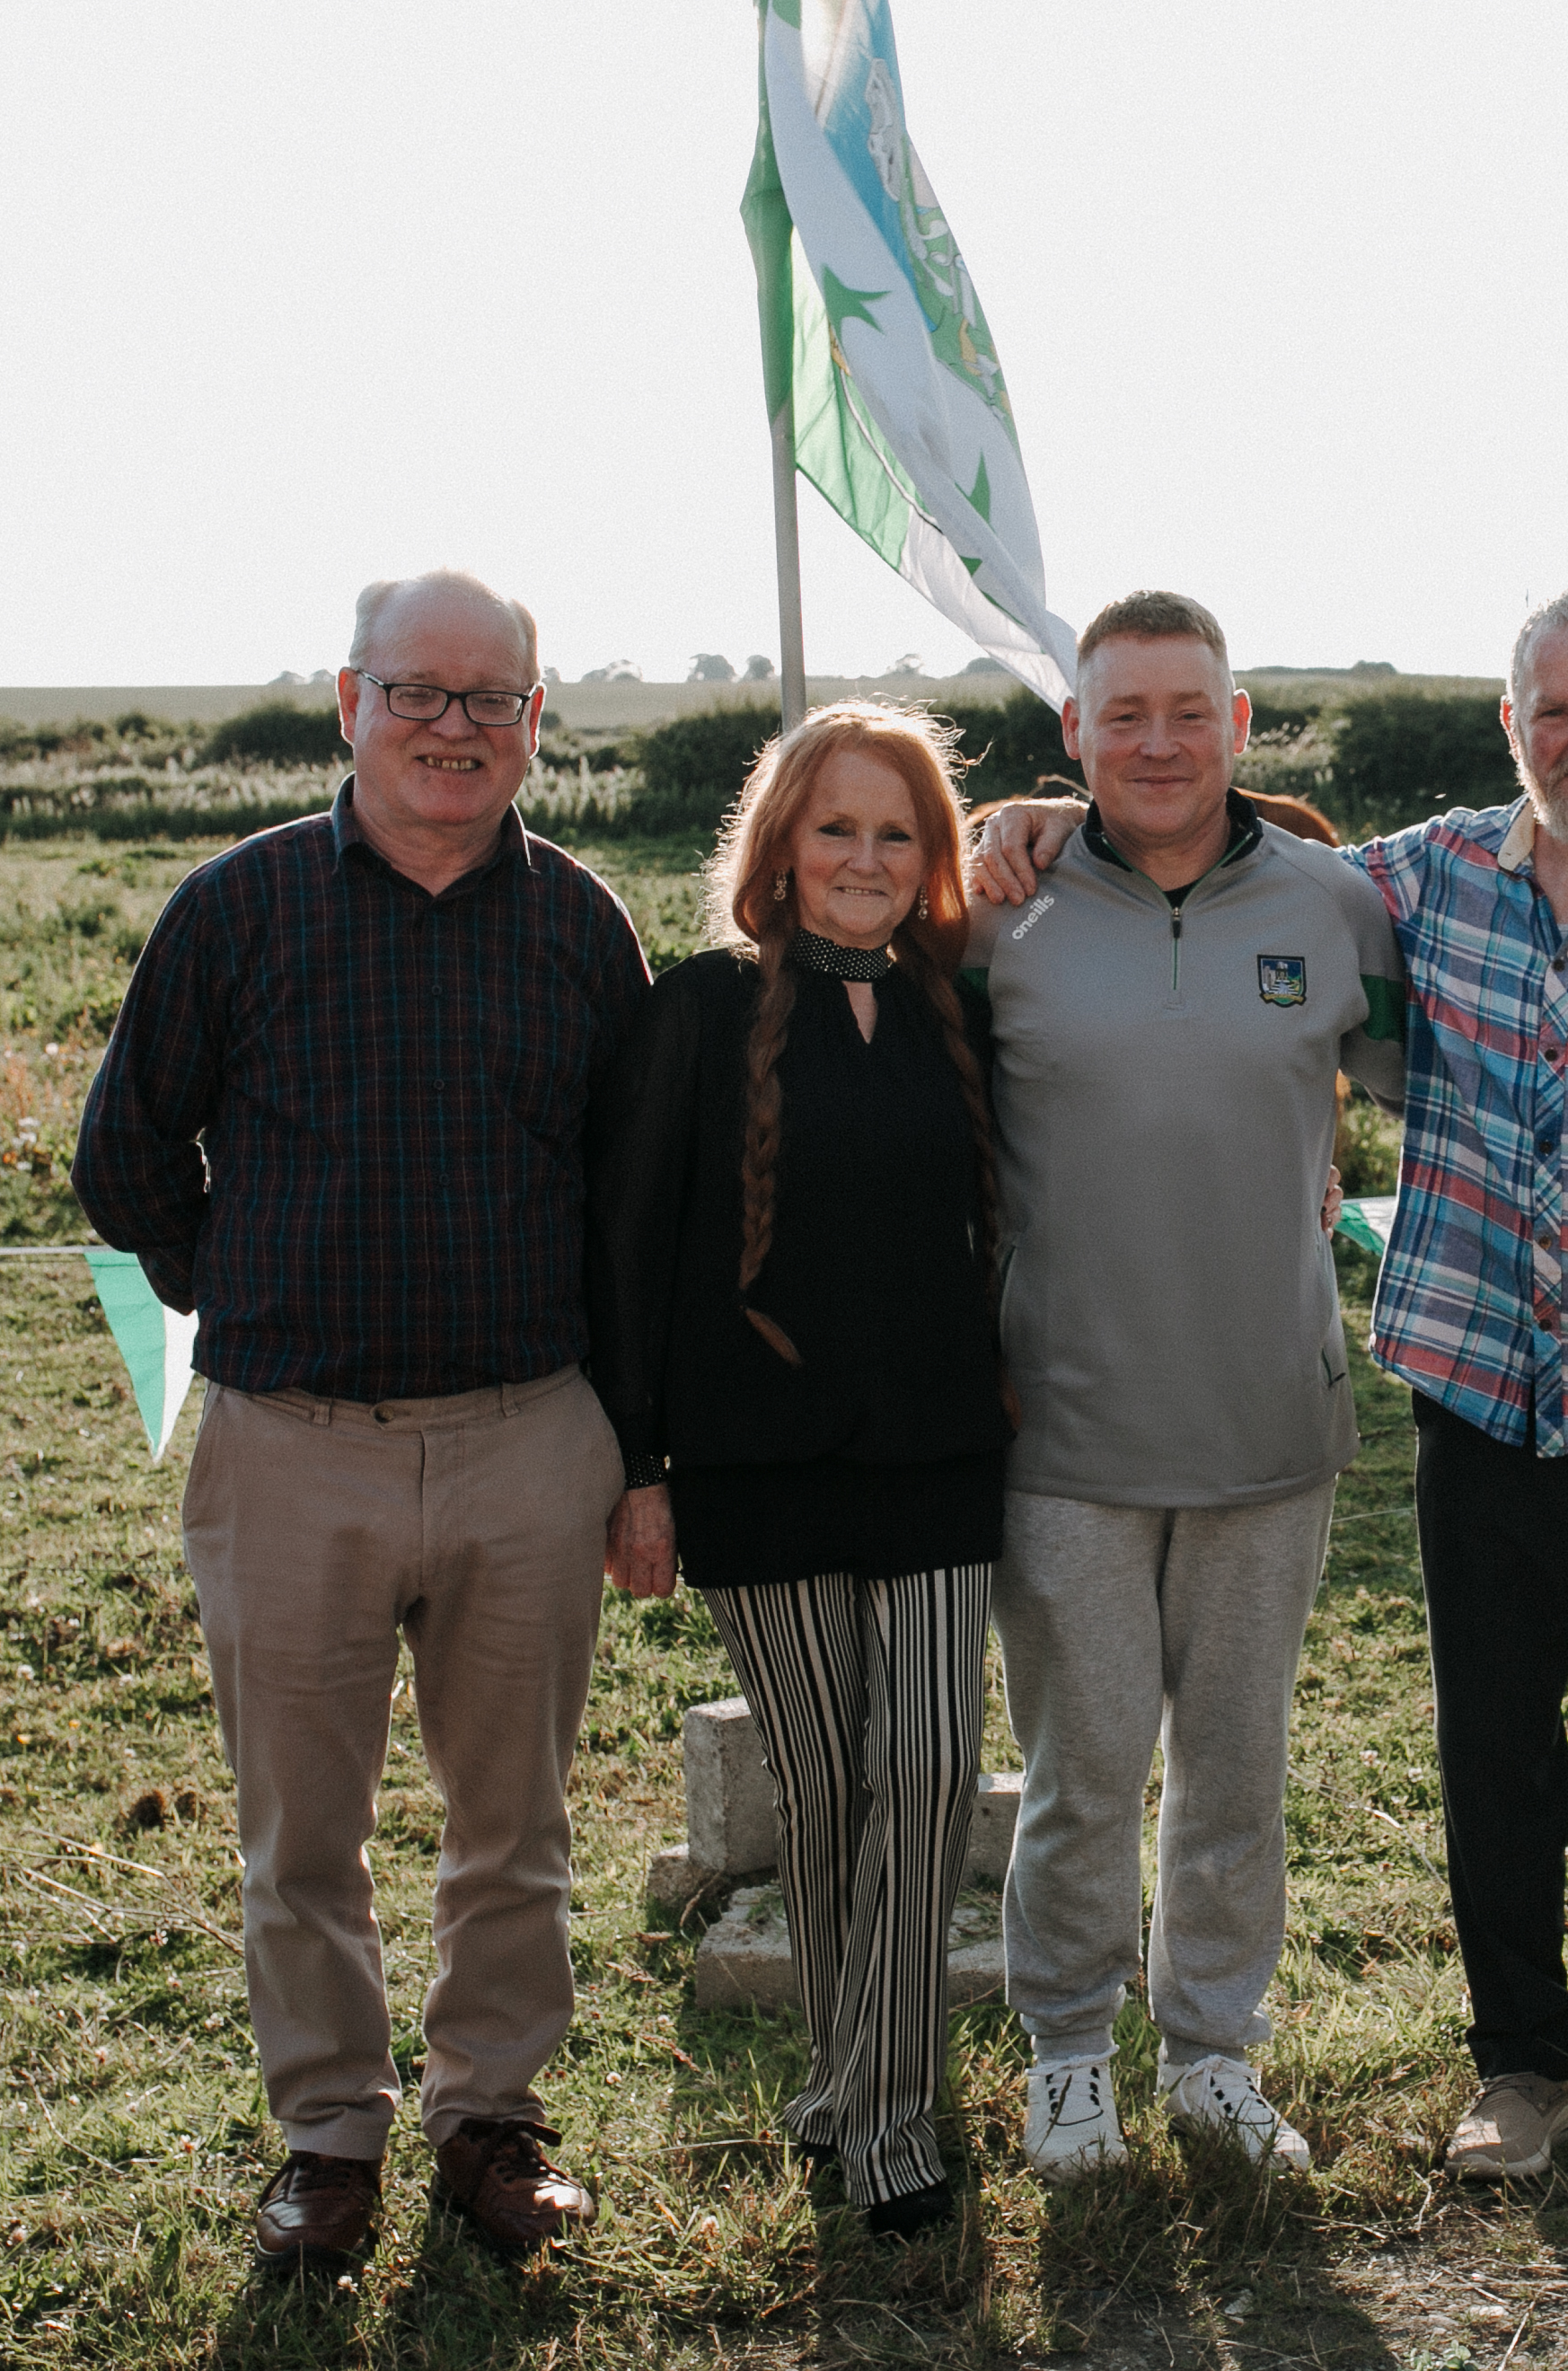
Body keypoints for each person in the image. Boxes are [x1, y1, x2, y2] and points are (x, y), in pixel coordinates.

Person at [972, 582, 1568, 2180]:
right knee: (1491, 1754)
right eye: (1555, 709)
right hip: (1482, 1396)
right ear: (1508, 722)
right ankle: (1519, 2066)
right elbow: (1193, 838)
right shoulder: (1424, 876)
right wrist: (1049, 812)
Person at [75, 569, 652, 2270]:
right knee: (299, 1829)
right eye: (421, 694)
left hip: (529, 1434)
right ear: (350, 703)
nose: (454, 728)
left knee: (514, 1824)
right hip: (290, 1443)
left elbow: (628, 1203)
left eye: (493, 700)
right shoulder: (235, 911)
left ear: (537, 724)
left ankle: (491, 2123)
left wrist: (638, 1457)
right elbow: (123, 1162)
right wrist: (246, 1290)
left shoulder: (579, 928)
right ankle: (330, 2136)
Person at [965, 590, 1405, 2183]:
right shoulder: (992, 909)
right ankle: (1068, 2054)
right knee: (1082, 1774)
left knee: (1237, 1772)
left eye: (1189, 711)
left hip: (1269, 1426)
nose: (1159, 741)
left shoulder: (1338, 906)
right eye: (1123, 714)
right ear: (1073, 732)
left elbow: (1457, 1079)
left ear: (1239, 726)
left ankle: (1214, 2051)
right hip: (1061, 1431)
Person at [584, 702, 1009, 2241]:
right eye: (836, 827)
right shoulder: (696, 1012)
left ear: (931, 859)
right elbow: (624, 1254)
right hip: (758, 1474)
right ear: (778, 846)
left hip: (943, 1462)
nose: (866, 858)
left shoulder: (958, 1014)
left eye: (898, 833)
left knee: (932, 1772)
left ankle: (888, 2116)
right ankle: (844, 2079)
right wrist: (637, 1470)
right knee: (827, 1790)